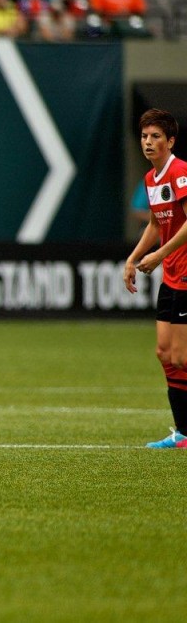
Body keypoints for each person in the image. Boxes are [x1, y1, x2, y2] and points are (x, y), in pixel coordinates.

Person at [123, 109, 187, 449]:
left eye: (156, 137)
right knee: (164, 352)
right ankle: (183, 434)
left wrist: (159, 255)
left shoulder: (180, 173)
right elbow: (155, 225)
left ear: (170, 141)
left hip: (186, 274)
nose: (148, 142)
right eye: (145, 136)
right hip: (172, 275)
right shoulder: (151, 179)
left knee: (182, 357)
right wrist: (133, 259)